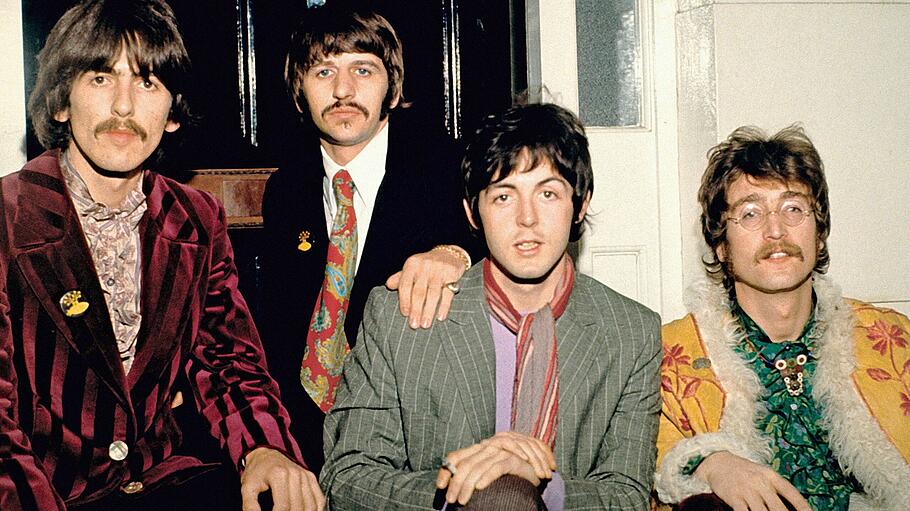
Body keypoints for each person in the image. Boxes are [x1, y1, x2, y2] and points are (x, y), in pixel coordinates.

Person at [0, 1, 322, 509]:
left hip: (165, 481)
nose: (124, 107)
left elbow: (228, 363)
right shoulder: (8, 216)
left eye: (148, 82)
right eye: (101, 78)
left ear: (172, 113)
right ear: (62, 102)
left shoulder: (197, 219)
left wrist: (264, 448)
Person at [320, 103, 662, 510]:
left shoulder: (631, 332)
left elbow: (627, 494)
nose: (527, 219)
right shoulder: (399, 315)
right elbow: (348, 478)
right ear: (472, 213)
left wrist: (537, 486)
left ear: (581, 204)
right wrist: (469, 486)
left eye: (548, 193)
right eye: (503, 196)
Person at [260, 3, 479, 471]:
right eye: (323, 72)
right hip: (304, 439)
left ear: (392, 85)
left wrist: (455, 253)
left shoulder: (448, 170)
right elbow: (279, 328)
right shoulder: (286, 190)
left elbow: (506, 238)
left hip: (418, 444)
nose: (342, 90)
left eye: (363, 69)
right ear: (298, 91)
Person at [654, 126, 910, 511]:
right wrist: (711, 461)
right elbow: (639, 462)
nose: (776, 231)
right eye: (751, 213)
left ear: (819, 232)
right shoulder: (668, 360)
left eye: (793, 208)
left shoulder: (893, 340)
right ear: (721, 245)